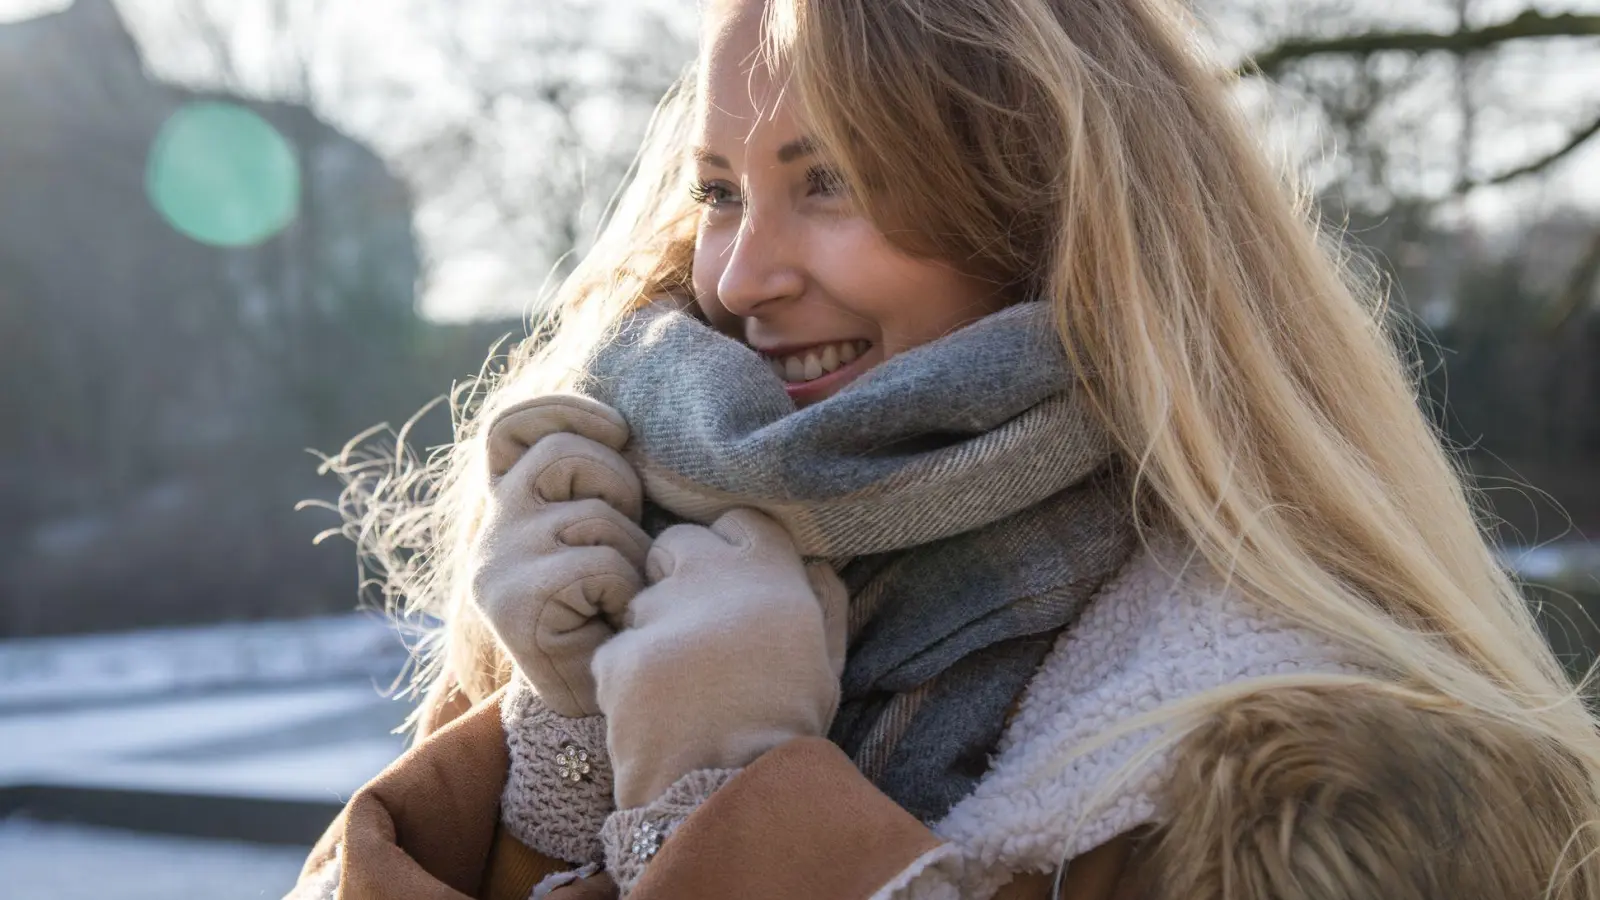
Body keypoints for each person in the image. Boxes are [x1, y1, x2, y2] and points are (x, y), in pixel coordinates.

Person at [288, 0, 1600, 897]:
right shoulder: (635, 578)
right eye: (719, 193)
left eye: (832, 181)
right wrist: (556, 746)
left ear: (1046, 208)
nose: (741, 277)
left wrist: (725, 801)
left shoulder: (1325, 778)